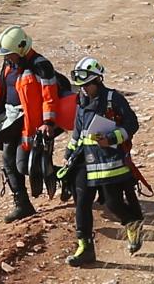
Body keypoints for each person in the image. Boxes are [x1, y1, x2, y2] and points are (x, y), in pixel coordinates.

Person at [60, 57, 144, 266]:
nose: (83, 90)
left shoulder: (113, 99)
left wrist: (113, 138)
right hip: (83, 160)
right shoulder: (81, 101)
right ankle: (85, 247)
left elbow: (131, 123)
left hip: (108, 161)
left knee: (113, 202)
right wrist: (68, 155)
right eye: (80, 86)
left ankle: (132, 222)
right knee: (81, 202)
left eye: (86, 85)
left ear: (98, 81)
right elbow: (78, 132)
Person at [0, 26, 66, 224]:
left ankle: (69, 176)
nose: (8, 58)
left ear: (20, 49)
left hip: (34, 125)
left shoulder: (41, 66)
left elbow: (50, 97)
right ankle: (22, 204)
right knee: (8, 161)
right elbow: (0, 91)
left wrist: (48, 122)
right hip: (11, 122)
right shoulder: (8, 65)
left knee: (26, 166)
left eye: (10, 54)